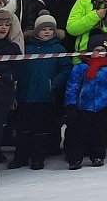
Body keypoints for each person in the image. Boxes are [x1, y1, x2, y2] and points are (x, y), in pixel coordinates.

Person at [9, 13, 68, 168]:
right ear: (36, 31)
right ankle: (20, 158)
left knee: (41, 129)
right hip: (25, 96)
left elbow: (66, 69)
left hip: (45, 96)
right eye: (43, 29)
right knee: (23, 129)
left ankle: (38, 158)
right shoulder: (27, 49)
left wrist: (54, 84)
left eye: (50, 29)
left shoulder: (58, 49)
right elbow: (19, 70)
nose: (47, 32)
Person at [64, 32, 107, 168]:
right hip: (83, 106)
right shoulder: (81, 68)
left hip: (103, 106)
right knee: (78, 133)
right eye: (97, 50)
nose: (100, 53)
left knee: (100, 133)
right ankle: (75, 158)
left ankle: (97, 155)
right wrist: (70, 104)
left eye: (103, 51)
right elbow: (72, 86)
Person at [0, 7, 22, 167]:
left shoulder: (13, 48)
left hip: (3, 93)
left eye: (7, 24)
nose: (4, 27)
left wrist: (5, 77)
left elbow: (20, 70)